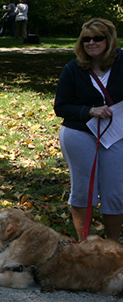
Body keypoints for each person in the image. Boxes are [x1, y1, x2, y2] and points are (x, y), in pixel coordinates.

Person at [54, 17, 123, 242]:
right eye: (86, 39)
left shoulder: (121, 63)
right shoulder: (73, 69)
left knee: (114, 192)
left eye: (97, 38)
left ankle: (113, 247)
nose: (91, 43)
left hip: (116, 135)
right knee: (83, 190)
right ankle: (84, 245)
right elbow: (61, 107)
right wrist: (90, 111)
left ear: (109, 40)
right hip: (80, 132)